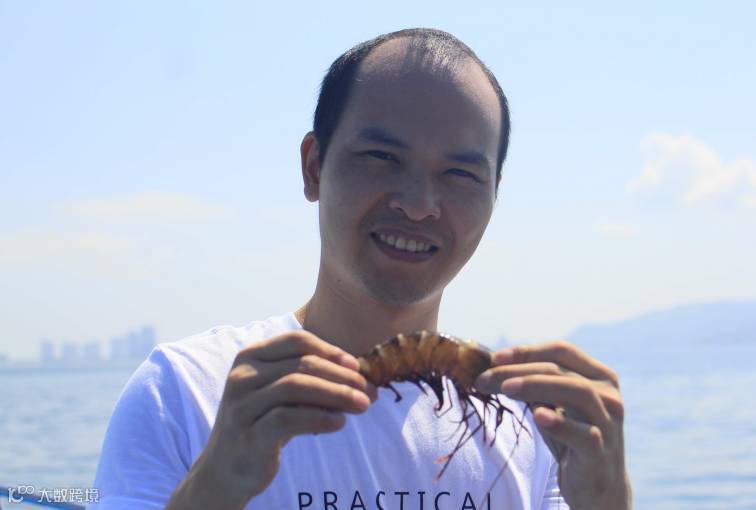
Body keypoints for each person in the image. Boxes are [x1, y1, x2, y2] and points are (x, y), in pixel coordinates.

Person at [91, 28, 631, 510]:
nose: (418, 205)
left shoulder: (539, 427)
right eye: (382, 158)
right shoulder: (188, 393)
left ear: (494, 196)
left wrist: (609, 506)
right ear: (314, 167)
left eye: (461, 174)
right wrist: (211, 492)